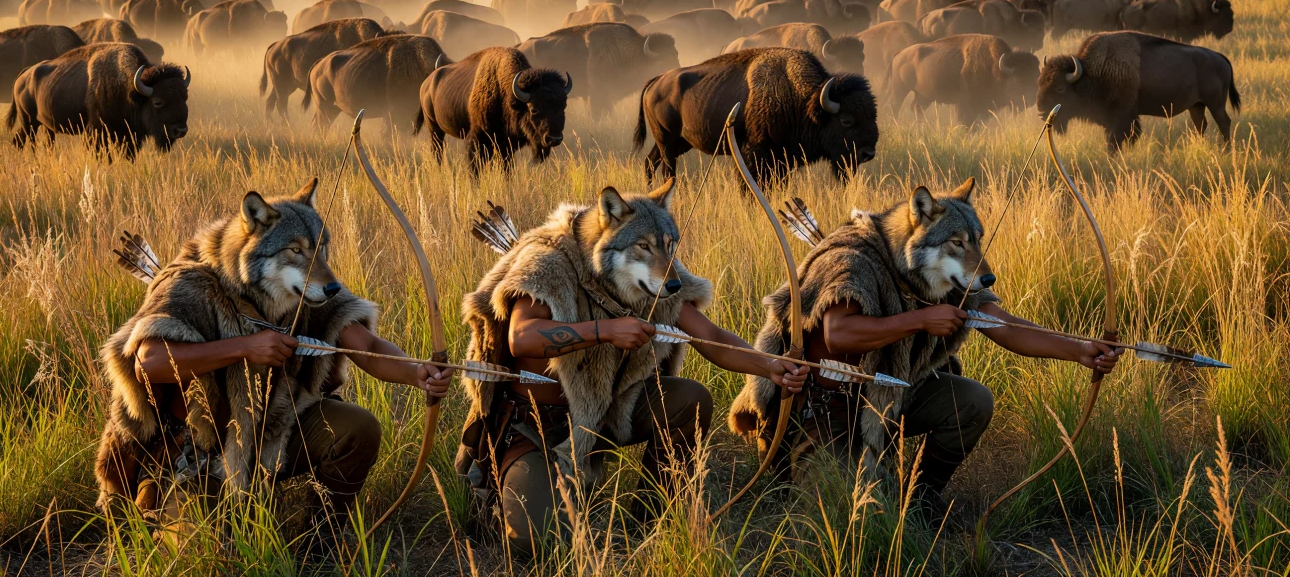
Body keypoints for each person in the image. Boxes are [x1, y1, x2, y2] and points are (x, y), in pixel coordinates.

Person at [455, 180, 808, 557]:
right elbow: (521, 338)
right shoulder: (551, 258)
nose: (664, 266)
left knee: (691, 400)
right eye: (645, 249)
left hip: (610, 412)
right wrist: (605, 331)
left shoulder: (662, 280)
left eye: (666, 247)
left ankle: (653, 519)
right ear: (608, 219)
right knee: (537, 543)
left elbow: (709, 336)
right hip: (535, 425)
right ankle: (489, 494)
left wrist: (770, 365)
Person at [729, 178, 1122, 511]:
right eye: (957, 245)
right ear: (919, 219)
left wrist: (1080, 350)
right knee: (844, 510)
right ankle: (793, 460)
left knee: (972, 401)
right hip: (824, 406)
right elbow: (838, 333)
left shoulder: (947, 281)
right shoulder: (854, 258)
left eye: (973, 244)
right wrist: (919, 320)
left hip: (891, 396)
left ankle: (920, 502)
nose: (975, 262)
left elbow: (1003, 325)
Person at [93, 179, 451, 523]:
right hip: (198, 456)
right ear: (254, 229)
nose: (321, 272)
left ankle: (322, 543)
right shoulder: (191, 284)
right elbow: (149, 363)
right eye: (296, 252)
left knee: (358, 428)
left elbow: (369, 347)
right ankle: (162, 497)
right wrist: (245, 348)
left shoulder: (310, 292)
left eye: (318, 250)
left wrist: (416, 372)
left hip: (274, 436)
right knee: (205, 555)